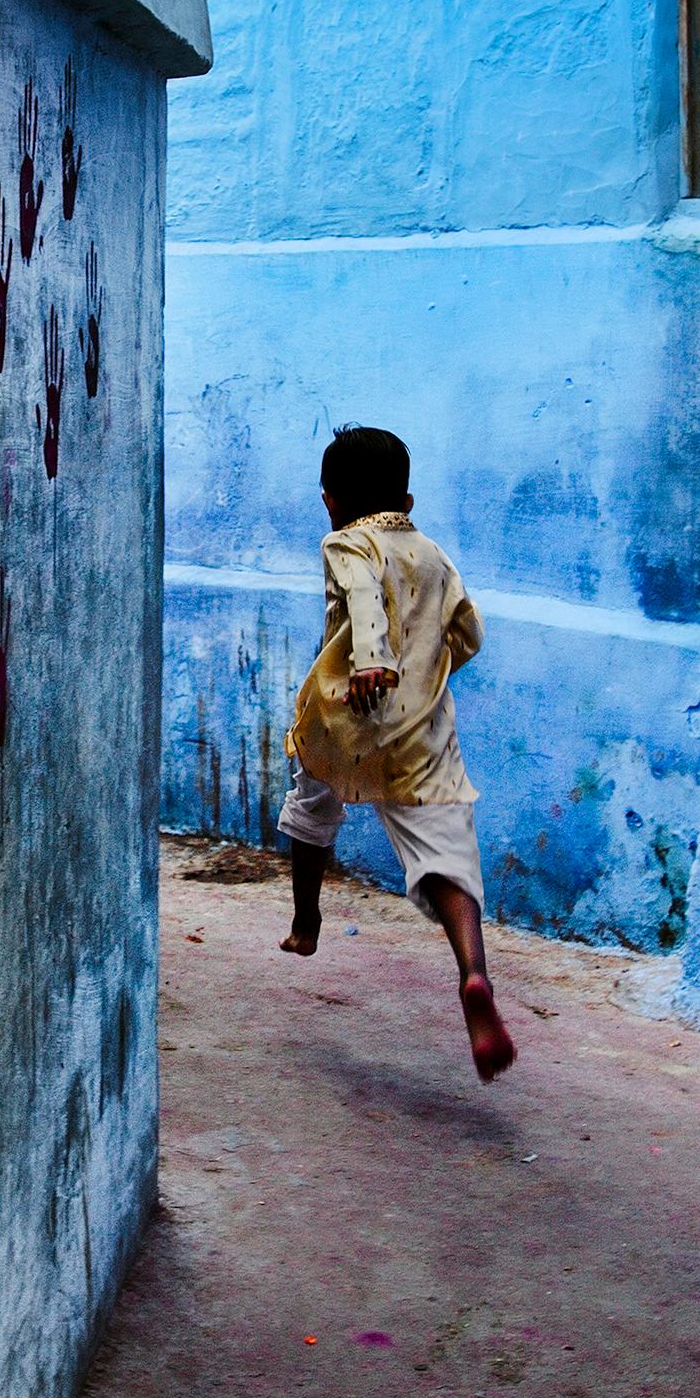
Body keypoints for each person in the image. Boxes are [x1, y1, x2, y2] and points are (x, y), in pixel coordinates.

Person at [276, 426, 516, 1081]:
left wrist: (375, 659)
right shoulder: (434, 555)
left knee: (313, 799)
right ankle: (472, 973)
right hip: (419, 728)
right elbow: (468, 631)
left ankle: (305, 920)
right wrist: (424, 675)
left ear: (329, 501)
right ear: (407, 501)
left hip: (344, 717)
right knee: (444, 852)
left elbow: (361, 594)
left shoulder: (344, 540)